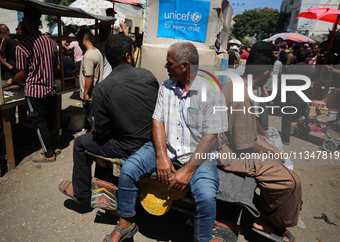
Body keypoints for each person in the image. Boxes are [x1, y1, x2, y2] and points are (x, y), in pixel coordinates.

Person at [103, 42, 228, 242]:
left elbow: (211, 136)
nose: (165, 67)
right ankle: (126, 223)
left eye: (169, 63)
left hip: (198, 157)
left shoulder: (211, 93)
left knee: (205, 196)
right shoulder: (165, 87)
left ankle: (201, 239)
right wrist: (161, 156)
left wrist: (188, 170)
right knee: (128, 171)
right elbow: (157, 120)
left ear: (185, 66)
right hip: (165, 149)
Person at [58, 34, 159, 202]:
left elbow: (102, 132)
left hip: (127, 146)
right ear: (128, 56)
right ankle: (102, 182)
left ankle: (81, 191)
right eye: (133, 53)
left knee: (80, 143)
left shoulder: (102, 89)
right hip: (150, 142)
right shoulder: (148, 76)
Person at [217, 41, 302, 242]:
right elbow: (243, 144)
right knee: (290, 181)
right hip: (228, 153)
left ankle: (271, 216)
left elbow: (250, 131)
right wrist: (273, 153)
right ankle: (267, 219)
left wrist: (271, 147)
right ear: (266, 72)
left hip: (237, 146)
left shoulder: (241, 84)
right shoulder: (242, 93)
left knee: (284, 164)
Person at [8, 6, 60, 162]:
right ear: (39, 22)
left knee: (39, 122)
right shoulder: (51, 42)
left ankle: (48, 154)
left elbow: (22, 73)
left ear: (24, 22)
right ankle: (47, 147)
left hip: (34, 91)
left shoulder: (22, 46)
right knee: (49, 120)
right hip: (50, 89)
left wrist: (13, 80)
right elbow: (56, 68)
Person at [281, 49, 315, 145]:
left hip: (290, 97)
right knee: (296, 118)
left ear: (295, 57)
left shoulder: (290, 69)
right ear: (306, 58)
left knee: (287, 118)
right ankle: (289, 134)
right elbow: (312, 83)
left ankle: (286, 139)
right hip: (303, 97)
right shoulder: (311, 69)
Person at [76, 29, 103, 131]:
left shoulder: (88, 55)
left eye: (78, 41)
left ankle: (93, 141)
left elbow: (89, 76)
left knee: (91, 120)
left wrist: (86, 93)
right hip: (97, 92)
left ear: (82, 39)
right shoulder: (97, 52)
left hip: (90, 95)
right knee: (95, 119)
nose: (78, 44)